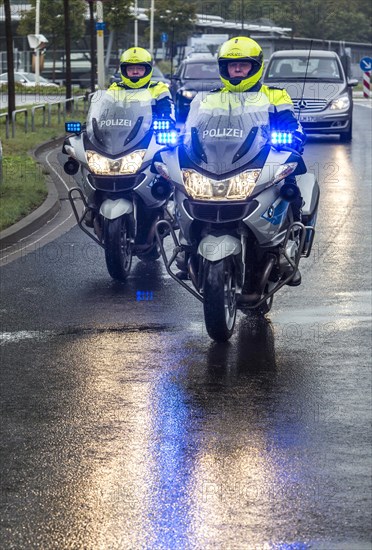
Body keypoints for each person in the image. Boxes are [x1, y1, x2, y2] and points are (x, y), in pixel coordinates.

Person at [178, 36, 306, 285]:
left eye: (243, 65)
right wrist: (181, 142)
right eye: (231, 65)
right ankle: (186, 248)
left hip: (261, 159)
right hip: (217, 162)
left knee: (289, 186)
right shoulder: (209, 98)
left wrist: (292, 138)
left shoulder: (275, 96)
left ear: (256, 67)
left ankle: (289, 246)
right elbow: (192, 129)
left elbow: (292, 125)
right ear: (223, 68)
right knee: (182, 189)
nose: (236, 69)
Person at [108, 46, 175, 122]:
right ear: (124, 70)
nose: (135, 72)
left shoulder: (159, 88)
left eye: (140, 68)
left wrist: (168, 121)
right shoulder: (115, 89)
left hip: (151, 132)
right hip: (120, 132)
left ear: (147, 70)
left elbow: (168, 113)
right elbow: (103, 112)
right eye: (130, 69)